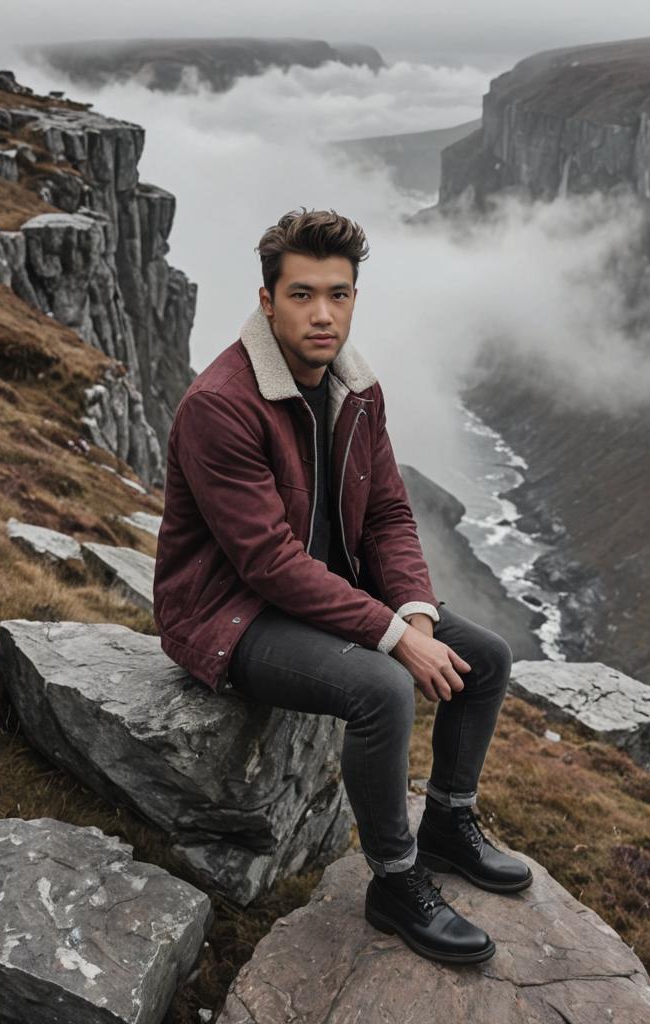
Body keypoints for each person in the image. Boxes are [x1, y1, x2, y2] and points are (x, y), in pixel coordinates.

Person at [153, 207, 532, 966]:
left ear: (355, 296)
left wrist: (416, 616)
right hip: (233, 614)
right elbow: (267, 562)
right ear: (267, 301)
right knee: (383, 690)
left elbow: (389, 512)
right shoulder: (220, 406)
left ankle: (449, 826)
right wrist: (392, 639)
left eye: (339, 293)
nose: (323, 313)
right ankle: (394, 881)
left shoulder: (357, 389)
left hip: (327, 595)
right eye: (301, 294)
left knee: (485, 659)